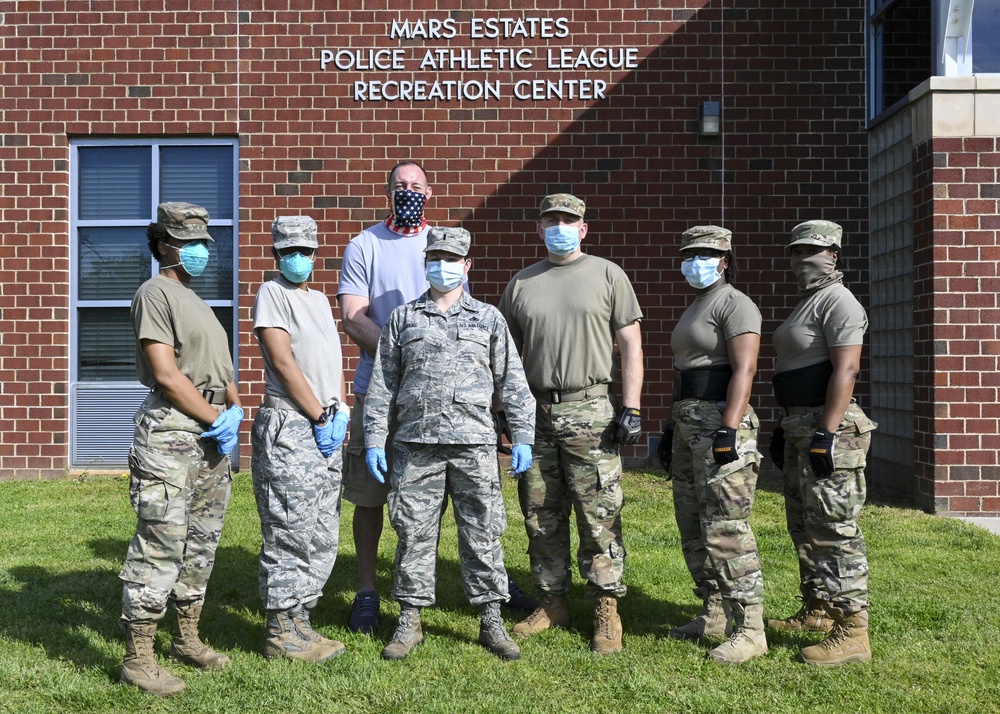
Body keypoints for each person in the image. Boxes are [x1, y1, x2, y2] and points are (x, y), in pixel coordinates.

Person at [338, 161, 534, 633]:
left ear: (466, 264)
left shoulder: (487, 318)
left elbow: (510, 377)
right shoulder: (391, 295)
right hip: (412, 431)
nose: (442, 266)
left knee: (483, 527)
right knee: (408, 524)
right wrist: (378, 433)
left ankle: (492, 614)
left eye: (416, 186)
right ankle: (394, 608)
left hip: (470, 437)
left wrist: (522, 433)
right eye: (399, 186)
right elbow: (373, 362)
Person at [498, 193, 644, 654]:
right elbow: (505, 357)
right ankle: (552, 599)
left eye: (568, 220)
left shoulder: (608, 274)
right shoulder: (522, 283)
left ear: (583, 228)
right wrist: (505, 408)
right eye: (551, 220)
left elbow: (631, 344)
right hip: (536, 413)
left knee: (597, 512)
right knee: (540, 512)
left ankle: (605, 607)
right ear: (538, 229)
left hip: (590, 409)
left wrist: (633, 406)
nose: (559, 226)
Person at [119, 202, 243, 697]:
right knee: (161, 542)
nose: (198, 252)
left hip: (210, 434)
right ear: (163, 245)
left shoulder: (198, 301)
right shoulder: (155, 293)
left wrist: (235, 411)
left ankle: (186, 638)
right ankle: (138, 658)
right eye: (188, 243)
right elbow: (167, 374)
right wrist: (217, 418)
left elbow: (222, 371)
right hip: (173, 432)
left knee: (201, 543)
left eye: (203, 244)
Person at [766, 220, 877, 666]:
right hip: (801, 425)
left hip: (828, 428)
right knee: (805, 525)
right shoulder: (811, 300)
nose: (801, 259)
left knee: (834, 529)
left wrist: (825, 433)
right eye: (795, 251)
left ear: (834, 254)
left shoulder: (840, 302)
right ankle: (819, 611)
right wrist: (788, 426)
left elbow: (846, 370)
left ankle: (852, 632)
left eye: (811, 250)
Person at [657, 226, 766, 664]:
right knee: (692, 520)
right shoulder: (697, 304)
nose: (695, 260)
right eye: (689, 253)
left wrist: (729, 427)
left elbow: (745, 368)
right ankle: (714, 611)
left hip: (720, 423)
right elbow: (685, 370)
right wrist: (670, 428)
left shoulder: (735, 304)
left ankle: (751, 628)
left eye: (705, 253)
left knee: (726, 526)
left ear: (724, 259)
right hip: (689, 423)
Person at [250, 216, 350, 662]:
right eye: (288, 251)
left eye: (305, 251)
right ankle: (279, 631)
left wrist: (341, 411)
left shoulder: (321, 299)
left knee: (321, 529)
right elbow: (283, 361)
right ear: (276, 254)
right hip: (292, 426)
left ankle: (302, 621)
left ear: (315, 253)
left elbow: (332, 360)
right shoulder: (272, 294)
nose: (298, 259)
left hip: (326, 424)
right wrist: (318, 414)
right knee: (290, 529)